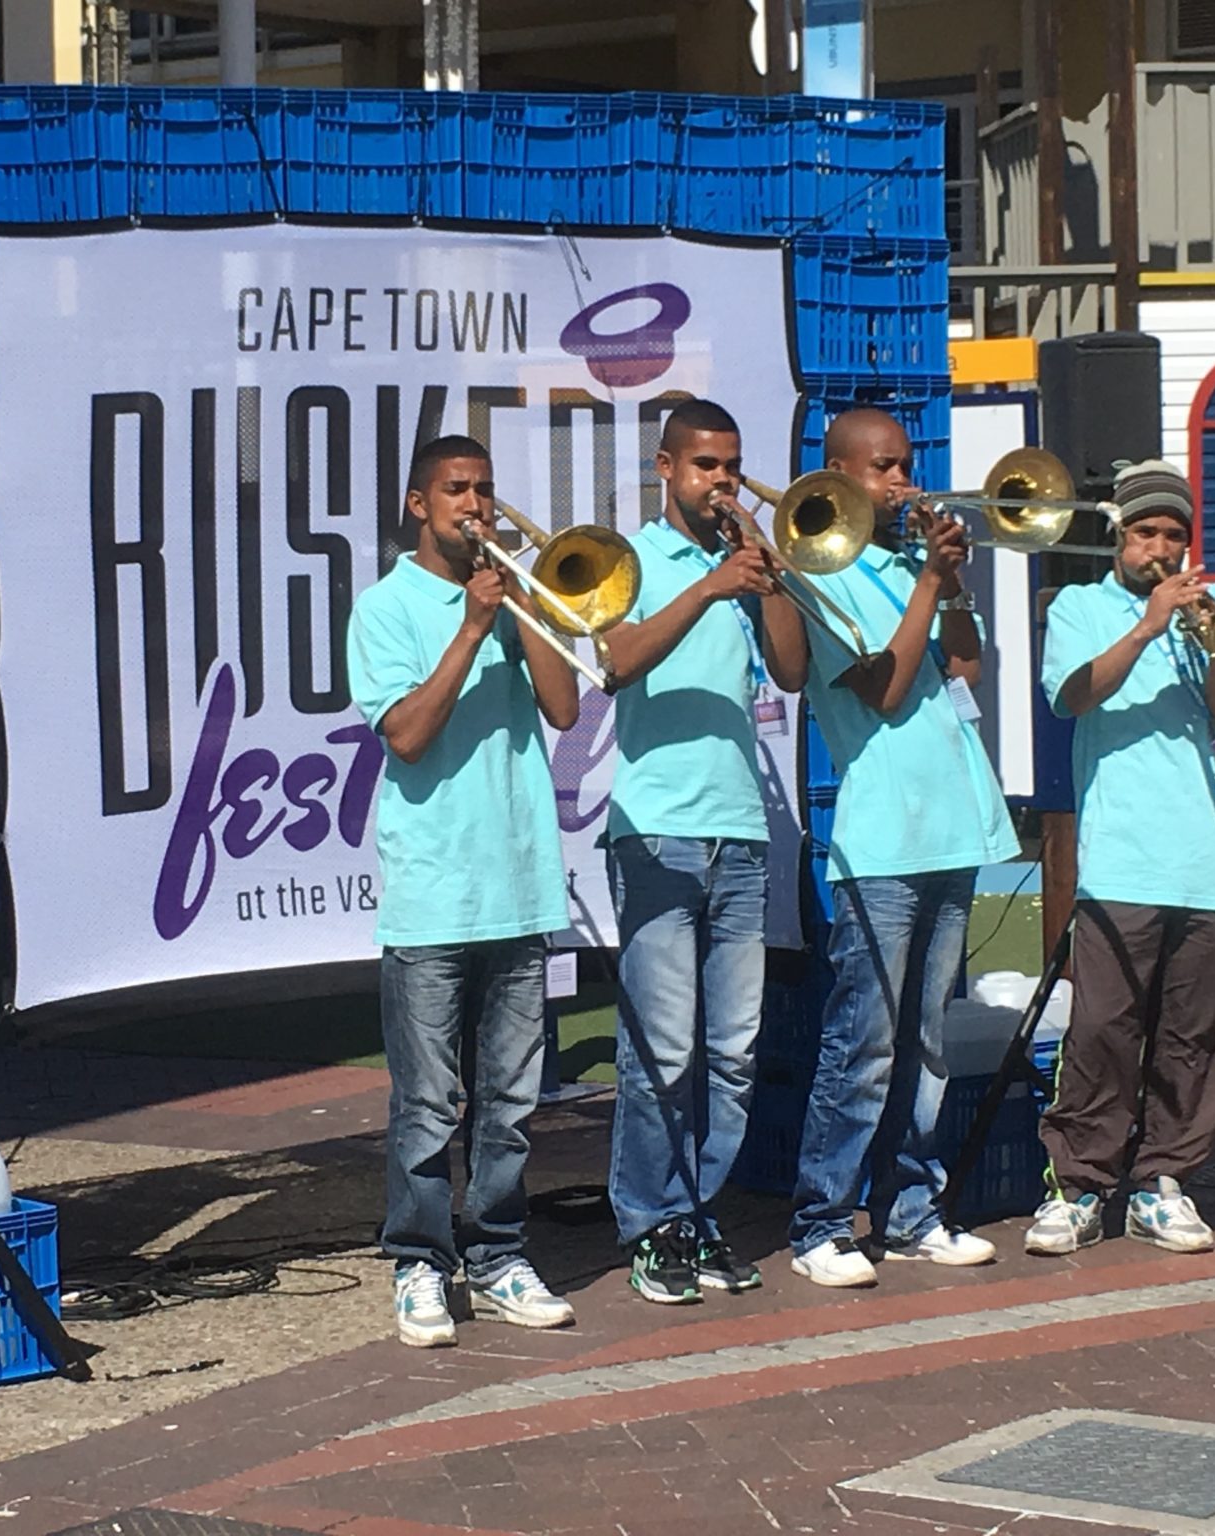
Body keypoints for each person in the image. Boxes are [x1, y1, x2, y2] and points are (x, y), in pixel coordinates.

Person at [347, 433, 582, 1347]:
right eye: (457, 490)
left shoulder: (517, 596)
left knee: (513, 1100)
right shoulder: (386, 606)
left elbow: (565, 708)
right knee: (427, 1100)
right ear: (419, 506)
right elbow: (405, 734)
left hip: (520, 884)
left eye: (485, 488)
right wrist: (473, 625)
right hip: (434, 893)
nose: (476, 506)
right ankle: (418, 1261)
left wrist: (525, 608)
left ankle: (498, 1252)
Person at [785, 408, 1017, 1288]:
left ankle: (914, 1208)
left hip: (951, 827)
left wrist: (953, 584)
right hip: (881, 843)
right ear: (838, 475)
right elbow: (882, 689)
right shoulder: (821, 570)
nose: (901, 484)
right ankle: (820, 1221)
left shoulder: (908, 563)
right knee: (864, 1043)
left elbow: (965, 667)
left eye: (904, 467)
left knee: (925, 1043)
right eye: (882, 470)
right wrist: (928, 579)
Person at [1027, 459, 1215, 1258]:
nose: (1160, 548)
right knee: (1101, 1028)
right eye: (1146, 532)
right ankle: (1081, 1185)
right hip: (1122, 859)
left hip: (1206, 862)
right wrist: (1147, 625)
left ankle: (1164, 1182)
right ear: (1118, 536)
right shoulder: (1082, 608)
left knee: (1195, 1036)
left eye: (1173, 534)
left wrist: (1211, 638)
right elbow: (1073, 696)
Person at [598, 398, 808, 1304]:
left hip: (742, 836)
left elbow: (792, 673)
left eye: (731, 466)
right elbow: (614, 661)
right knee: (662, 1051)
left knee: (732, 1052)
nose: (722, 482)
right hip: (657, 833)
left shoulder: (746, 559)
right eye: (705, 467)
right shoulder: (630, 560)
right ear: (665, 469)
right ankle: (649, 1224)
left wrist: (779, 577)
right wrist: (708, 588)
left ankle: (695, 1214)